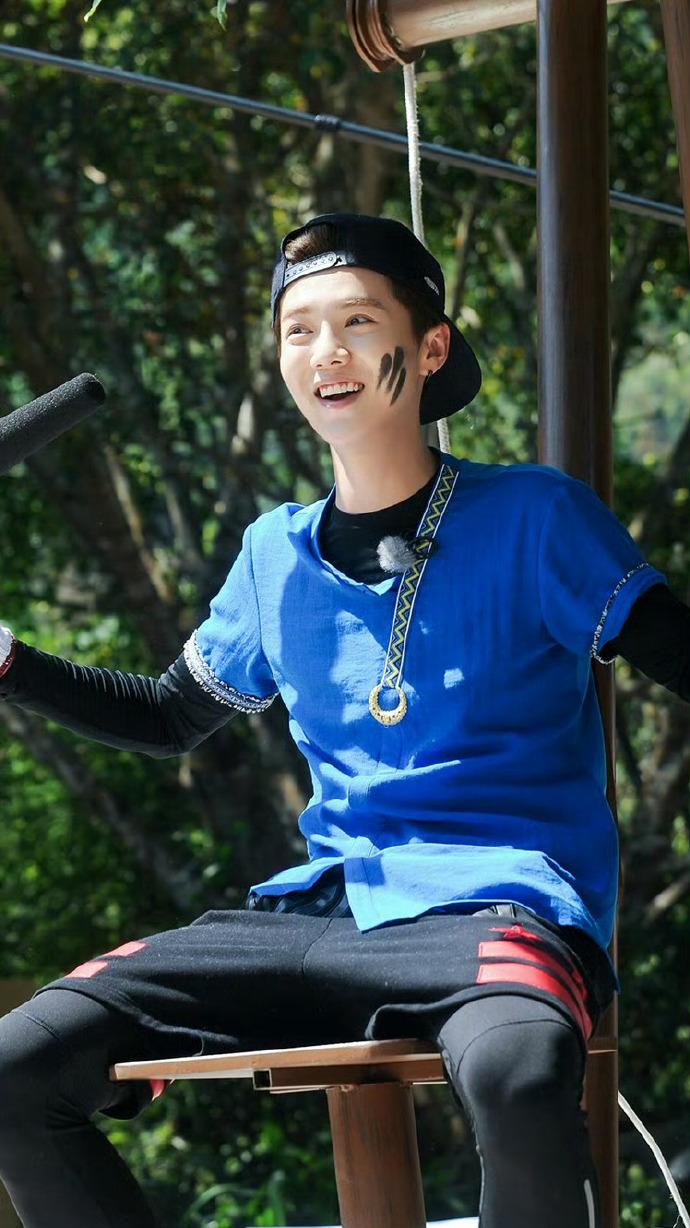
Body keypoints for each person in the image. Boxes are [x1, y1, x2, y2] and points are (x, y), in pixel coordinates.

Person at [0, 211, 687, 1228]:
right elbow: (168, 715)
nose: (325, 352)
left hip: (497, 907)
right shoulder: (272, 552)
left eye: (359, 323)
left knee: (520, 1073)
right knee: (15, 1067)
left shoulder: (536, 515)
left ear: (431, 348)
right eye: (299, 330)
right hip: (316, 913)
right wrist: (10, 662)